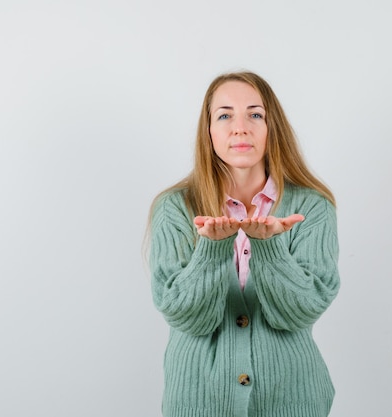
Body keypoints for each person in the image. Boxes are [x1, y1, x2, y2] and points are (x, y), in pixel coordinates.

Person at [145, 71, 340, 417]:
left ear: (271, 127)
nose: (240, 127)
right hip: (199, 402)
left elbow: (303, 310)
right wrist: (211, 253)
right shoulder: (175, 207)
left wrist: (270, 249)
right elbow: (183, 315)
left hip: (293, 401)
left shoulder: (312, 206)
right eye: (224, 115)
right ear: (208, 131)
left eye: (255, 114)